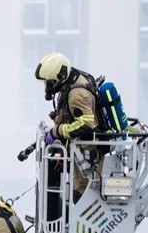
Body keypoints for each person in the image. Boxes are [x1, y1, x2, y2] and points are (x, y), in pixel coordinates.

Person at [34, 51, 102, 199]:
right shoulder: (72, 82)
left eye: (50, 82)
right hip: (81, 154)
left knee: (82, 197)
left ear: (60, 77)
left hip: (87, 158)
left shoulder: (76, 94)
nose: (48, 86)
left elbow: (86, 124)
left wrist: (57, 131)